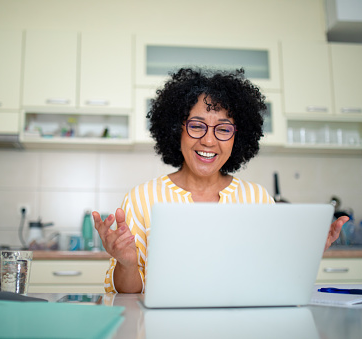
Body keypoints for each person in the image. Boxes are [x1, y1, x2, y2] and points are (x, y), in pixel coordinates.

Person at [93, 68, 348, 293]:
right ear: (176, 129)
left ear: (238, 137)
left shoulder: (257, 199)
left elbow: (272, 277)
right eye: (196, 125)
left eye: (223, 129)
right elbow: (129, 293)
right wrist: (127, 264)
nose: (209, 141)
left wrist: (307, 254)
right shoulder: (141, 199)